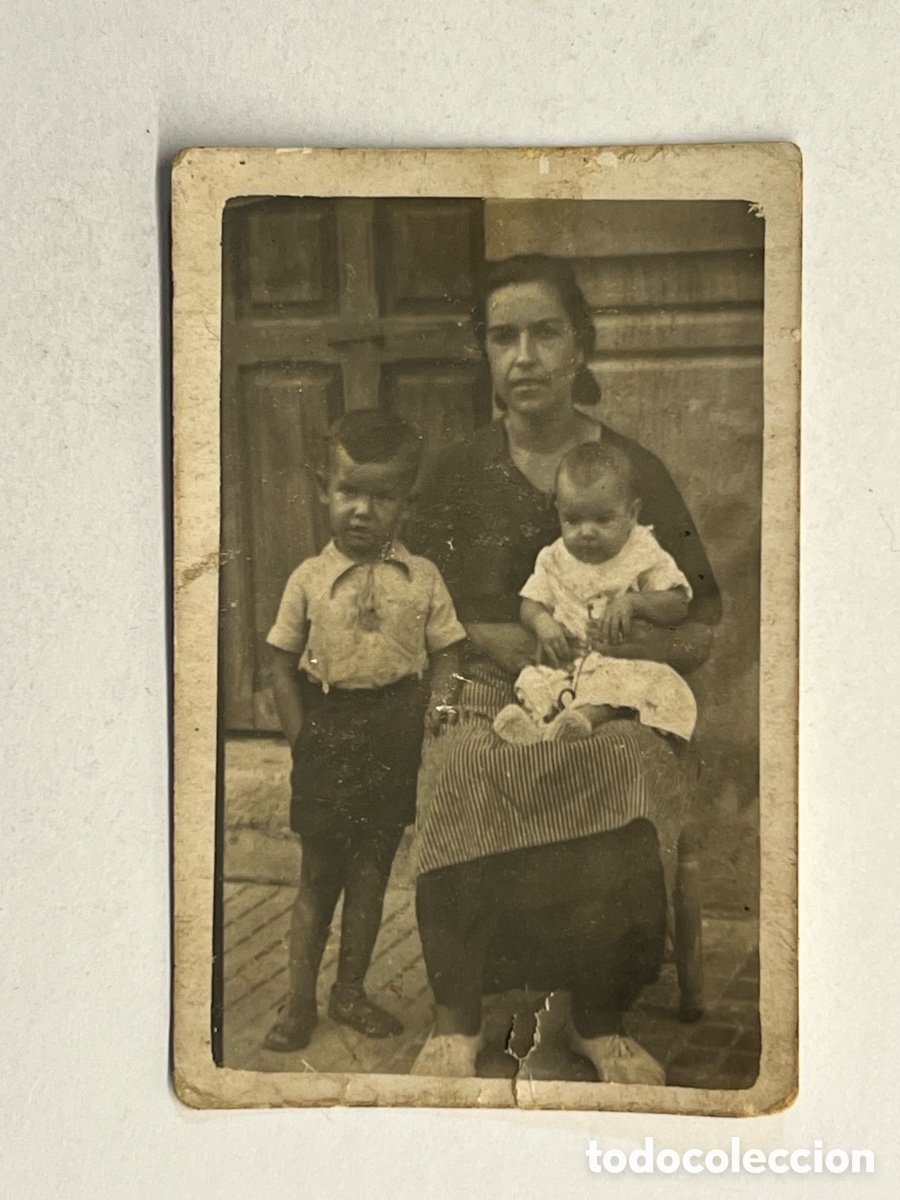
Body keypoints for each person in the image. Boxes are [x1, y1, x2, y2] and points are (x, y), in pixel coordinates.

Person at [406, 254, 721, 1083]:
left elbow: (703, 621)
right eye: (503, 336)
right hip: (486, 685)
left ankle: (598, 1018)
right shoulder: (456, 471)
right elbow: (422, 605)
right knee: (459, 769)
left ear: (580, 344)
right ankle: (456, 1022)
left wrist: (628, 650)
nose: (525, 356)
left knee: (618, 765)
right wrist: (486, 650)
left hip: (608, 687)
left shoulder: (633, 471)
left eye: (545, 332)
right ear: (484, 353)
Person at [262, 410, 466, 1053]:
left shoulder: (424, 578)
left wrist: (439, 714)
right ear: (326, 489)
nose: (361, 509)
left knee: (373, 871)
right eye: (349, 491)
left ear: (406, 505)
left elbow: (450, 655)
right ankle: (298, 1003)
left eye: (381, 496)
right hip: (329, 730)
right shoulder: (308, 579)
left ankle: (349, 993)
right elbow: (278, 662)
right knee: (319, 875)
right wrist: (303, 739)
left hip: (394, 733)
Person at [494, 439, 697, 745]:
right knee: (536, 681)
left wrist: (634, 602)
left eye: (603, 520)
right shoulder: (553, 557)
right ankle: (534, 728)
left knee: (629, 683)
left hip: (618, 660)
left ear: (632, 513)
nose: (586, 532)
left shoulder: (641, 550)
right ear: (558, 510)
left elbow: (678, 602)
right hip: (567, 662)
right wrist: (542, 623)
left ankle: (584, 719)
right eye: (572, 520)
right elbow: (530, 603)